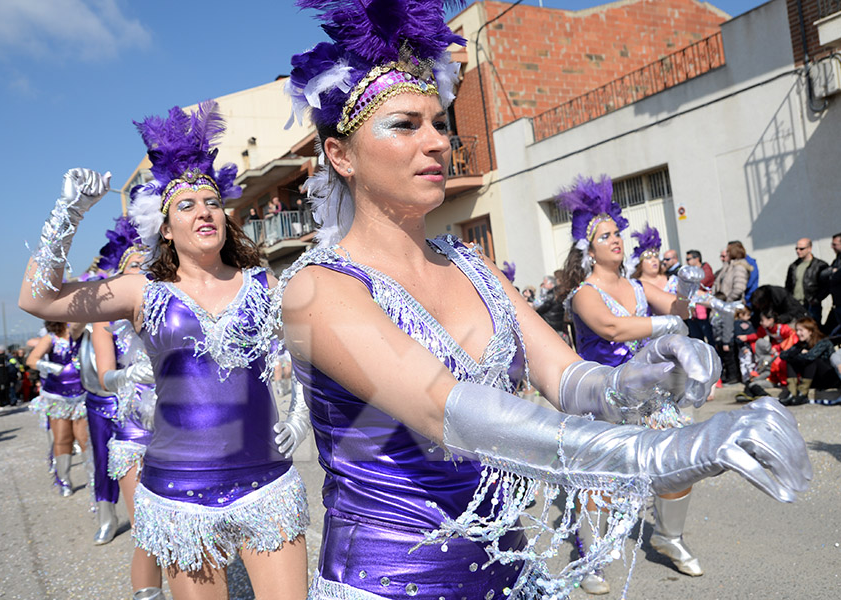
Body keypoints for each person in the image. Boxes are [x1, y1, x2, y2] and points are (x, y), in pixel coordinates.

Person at [280, 3, 809, 598]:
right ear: (341, 155)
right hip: (389, 585)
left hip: (509, 574)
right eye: (405, 125)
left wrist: (640, 379)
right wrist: (656, 452)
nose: (436, 142)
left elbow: (568, 377)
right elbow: (447, 414)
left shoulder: (471, 264)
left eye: (440, 122)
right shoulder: (315, 289)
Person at [18, 102, 309, 600]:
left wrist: (300, 412)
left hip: (267, 484)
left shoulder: (264, 283)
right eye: (187, 205)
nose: (204, 211)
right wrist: (68, 213)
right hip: (179, 493)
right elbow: (37, 298)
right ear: (166, 230)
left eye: (212, 201)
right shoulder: (142, 291)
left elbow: (310, 351)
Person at [562, 184, 711, 590]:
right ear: (589, 250)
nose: (615, 241)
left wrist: (685, 288)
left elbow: (682, 310)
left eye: (617, 234)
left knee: (680, 461)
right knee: (601, 481)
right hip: (603, 398)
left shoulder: (641, 288)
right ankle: (591, 561)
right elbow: (611, 327)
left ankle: (668, 536)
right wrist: (666, 326)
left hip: (649, 394)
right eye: (605, 236)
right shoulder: (583, 295)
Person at [89, 216, 163, 597]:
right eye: (133, 266)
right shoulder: (106, 319)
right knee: (148, 532)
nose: (142, 271)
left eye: (146, 263)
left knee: (191, 525)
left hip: (181, 429)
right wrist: (130, 375)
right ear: (119, 275)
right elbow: (104, 375)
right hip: (134, 431)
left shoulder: (171, 305)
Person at [26, 321, 88, 496]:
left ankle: (93, 480)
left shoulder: (86, 335)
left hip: (82, 395)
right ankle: (64, 480)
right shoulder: (51, 338)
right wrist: (51, 367)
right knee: (62, 439)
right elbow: (31, 360)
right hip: (58, 397)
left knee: (85, 440)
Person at [778, 316, 840, 405]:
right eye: (797, 330)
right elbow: (783, 355)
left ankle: (803, 393)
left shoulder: (823, 342)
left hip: (828, 378)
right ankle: (792, 393)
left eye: (801, 330)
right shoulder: (801, 344)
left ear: (810, 331)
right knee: (791, 361)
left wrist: (797, 354)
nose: (798, 333)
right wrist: (799, 351)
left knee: (812, 360)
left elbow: (810, 357)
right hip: (814, 379)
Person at [737, 311, 797, 390]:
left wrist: (779, 348)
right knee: (761, 346)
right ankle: (759, 374)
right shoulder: (766, 329)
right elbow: (758, 335)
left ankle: (781, 381)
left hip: (787, 349)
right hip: (775, 350)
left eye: (762, 320)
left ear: (771, 320)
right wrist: (747, 337)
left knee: (777, 362)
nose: (760, 323)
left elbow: (792, 337)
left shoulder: (782, 328)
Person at [784, 238, 829, 323]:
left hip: (811, 305)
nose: (798, 251)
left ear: (809, 248)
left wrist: (816, 299)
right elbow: (788, 285)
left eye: (801, 249)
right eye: (796, 248)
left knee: (812, 329)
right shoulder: (793, 266)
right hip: (796, 305)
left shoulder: (820, 265)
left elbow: (826, 286)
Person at [685, 250, 715, 344]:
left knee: (709, 337)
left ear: (697, 259)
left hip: (704, 309)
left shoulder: (706, 270)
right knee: (697, 339)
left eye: (688, 259)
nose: (687, 262)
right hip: (693, 310)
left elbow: (700, 285)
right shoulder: (690, 271)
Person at [822, 233, 841, 335]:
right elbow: (824, 274)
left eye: (834, 244)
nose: (832, 247)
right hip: (837, 303)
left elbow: (837, 275)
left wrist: (835, 272)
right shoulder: (837, 260)